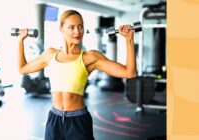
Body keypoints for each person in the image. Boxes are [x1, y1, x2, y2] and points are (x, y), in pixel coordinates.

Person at [18, 10, 137, 140]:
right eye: (72, 27)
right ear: (61, 29)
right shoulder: (50, 55)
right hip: (54, 119)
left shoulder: (89, 57)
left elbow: (129, 72)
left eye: (80, 26)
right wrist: (20, 41)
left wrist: (129, 39)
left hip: (78, 120)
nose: (77, 31)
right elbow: (23, 68)